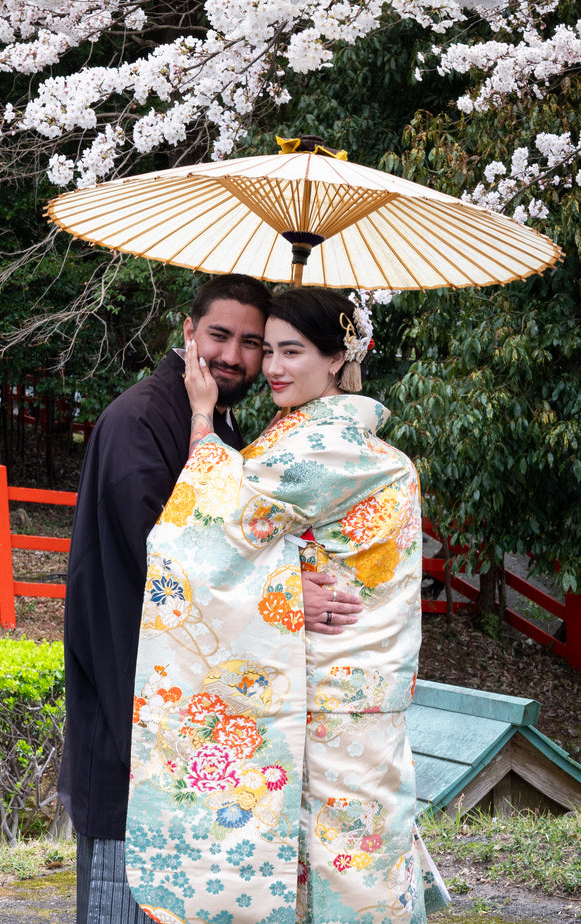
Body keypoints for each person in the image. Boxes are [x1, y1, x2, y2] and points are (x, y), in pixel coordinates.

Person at [126, 286, 445, 923]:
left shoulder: (318, 446)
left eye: (291, 351)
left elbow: (206, 528)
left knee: (323, 865)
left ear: (337, 359)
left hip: (322, 693)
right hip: (368, 691)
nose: (271, 367)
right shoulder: (364, 448)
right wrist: (292, 574)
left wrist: (201, 414)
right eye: (267, 349)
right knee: (359, 859)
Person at [60, 275, 361, 924]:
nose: (235, 356)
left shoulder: (218, 419)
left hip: (183, 725)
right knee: (131, 902)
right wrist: (283, 596)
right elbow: (166, 562)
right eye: (220, 335)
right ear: (188, 329)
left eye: (254, 343)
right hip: (133, 713)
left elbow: (233, 540)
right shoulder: (141, 422)